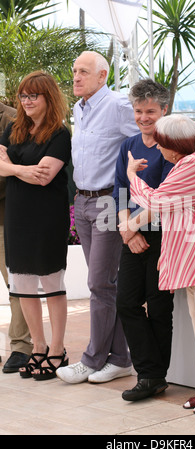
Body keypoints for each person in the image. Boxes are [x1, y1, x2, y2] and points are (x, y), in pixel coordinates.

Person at [122, 113, 195, 411]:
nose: (158, 149)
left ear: (174, 144)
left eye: (161, 144)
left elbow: (157, 202)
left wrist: (132, 177)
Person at [56, 51, 138, 384]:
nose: (76, 77)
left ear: (103, 76)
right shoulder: (79, 108)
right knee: (104, 285)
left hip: (108, 201)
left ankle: (91, 360)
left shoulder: (118, 106)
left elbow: (147, 140)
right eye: (74, 70)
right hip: (84, 202)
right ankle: (119, 359)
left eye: (84, 72)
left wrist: (131, 202)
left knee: (99, 284)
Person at [0, 71, 71, 380]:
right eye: (23, 96)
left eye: (33, 96)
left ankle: (57, 350)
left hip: (46, 218)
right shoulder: (16, 128)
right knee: (24, 285)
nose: (26, 101)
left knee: (52, 285)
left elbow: (46, 175)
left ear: (48, 98)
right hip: (16, 215)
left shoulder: (60, 133)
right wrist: (22, 170)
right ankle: (38, 347)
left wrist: (11, 168)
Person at [114, 79, 175, 401]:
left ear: (164, 109)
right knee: (126, 302)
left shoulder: (171, 147)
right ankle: (150, 372)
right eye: (139, 111)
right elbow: (118, 191)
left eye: (150, 111)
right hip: (132, 232)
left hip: (164, 234)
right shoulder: (127, 146)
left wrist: (131, 230)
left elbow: (165, 198)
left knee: (159, 306)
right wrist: (129, 230)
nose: (144, 117)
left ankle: (154, 376)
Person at [0, 102, 33, 372]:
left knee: (17, 286)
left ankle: (21, 347)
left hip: (5, 218)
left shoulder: (12, 120)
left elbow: (14, 167)